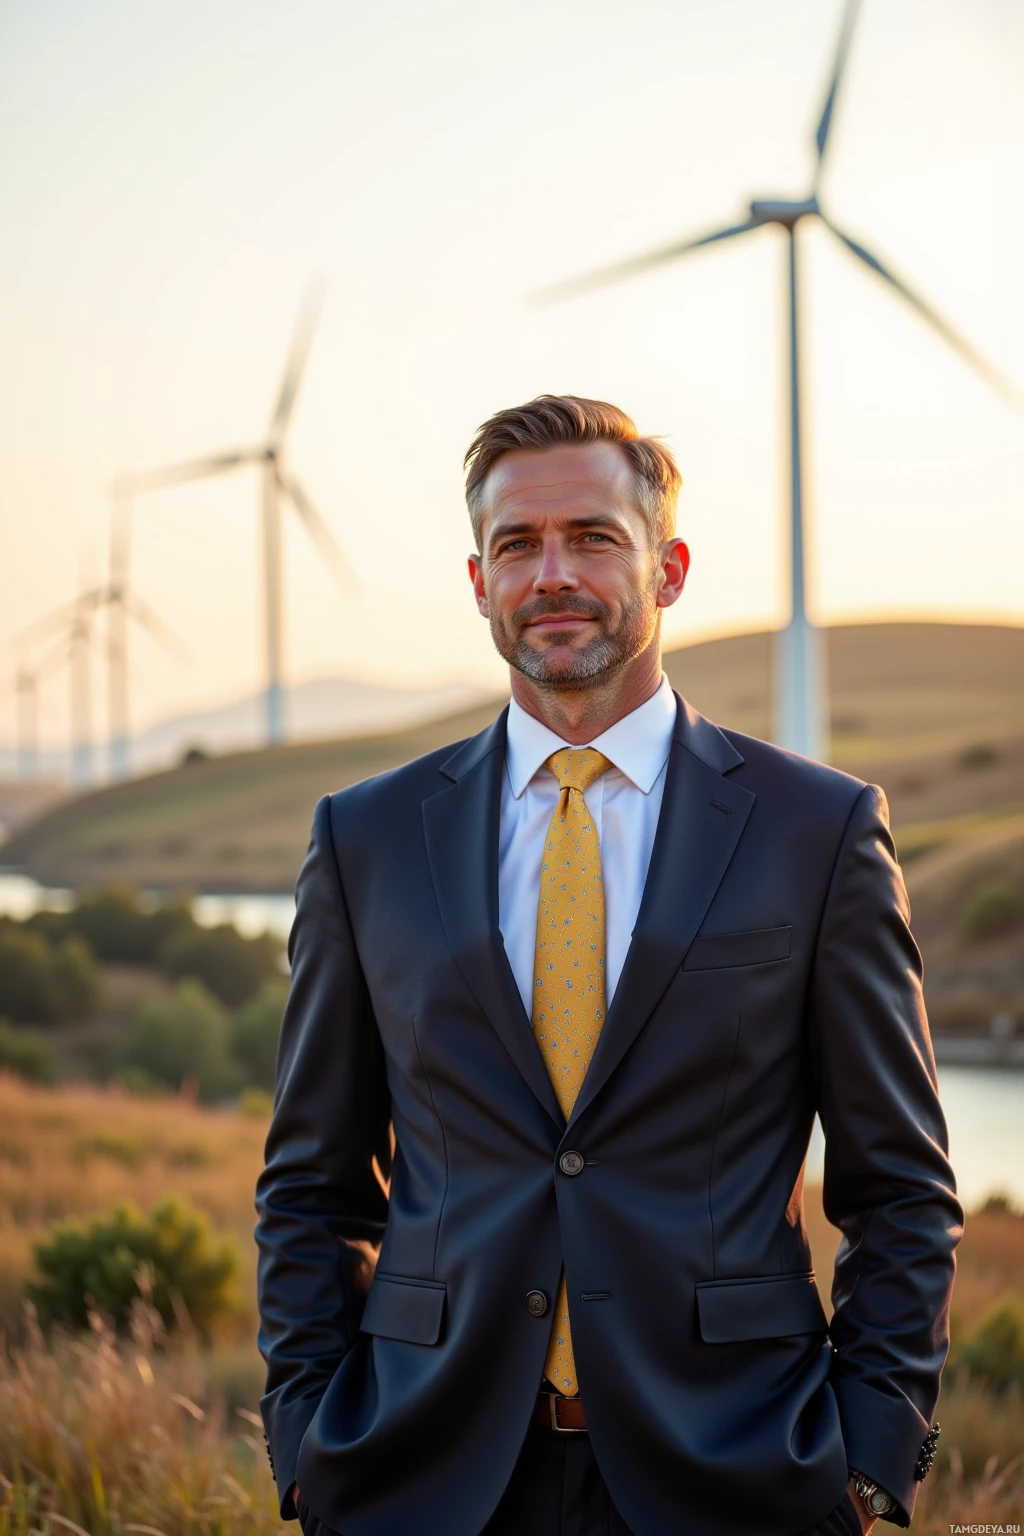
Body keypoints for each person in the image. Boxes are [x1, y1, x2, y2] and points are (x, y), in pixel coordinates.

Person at [255, 395, 960, 1536]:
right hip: (417, 1473)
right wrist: (306, 1446)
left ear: (669, 568)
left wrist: (868, 1458)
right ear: (477, 580)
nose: (552, 575)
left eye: (592, 537)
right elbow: (311, 1185)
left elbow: (901, 1187)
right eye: (515, 546)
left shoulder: (813, 830)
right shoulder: (366, 837)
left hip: (739, 1472)